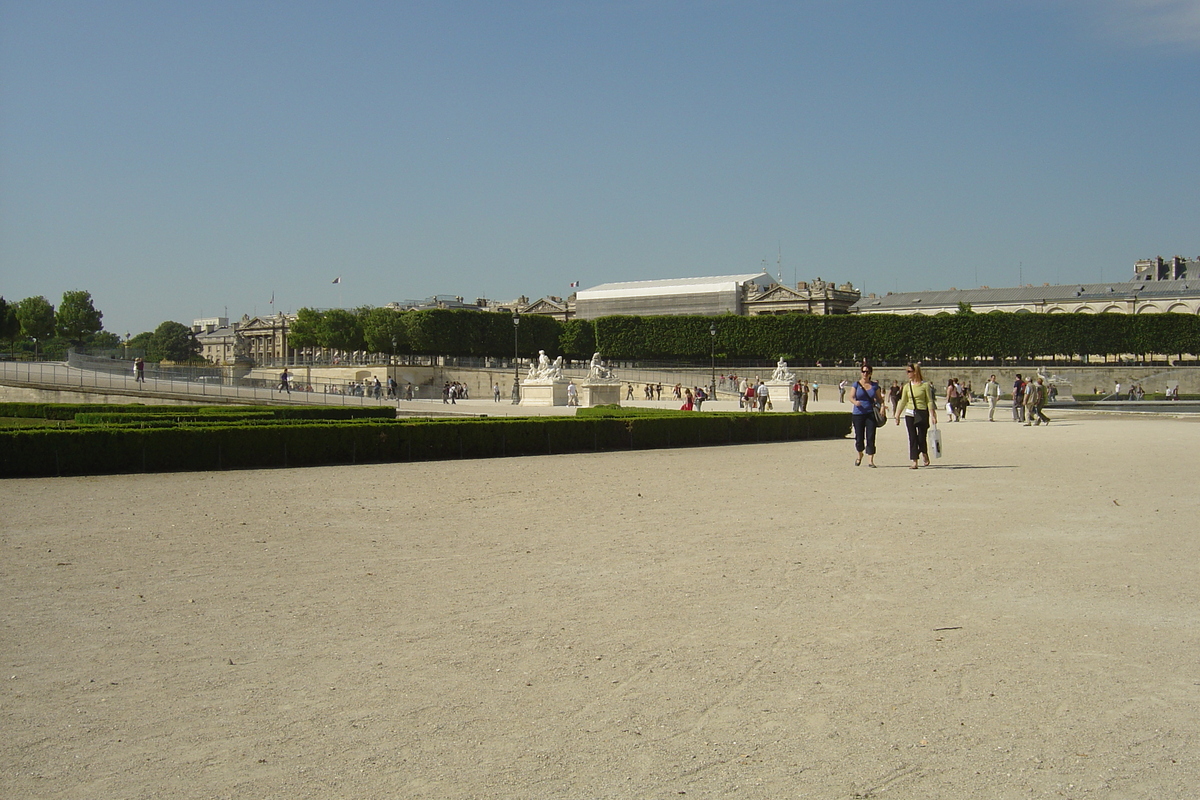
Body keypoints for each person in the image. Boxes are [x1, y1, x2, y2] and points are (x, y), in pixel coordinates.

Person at [895, 363, 938, 469]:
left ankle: (924, 452)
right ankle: (914, 460)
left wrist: (933, 415)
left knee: (921, 437)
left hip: (922, 413)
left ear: (915, 372)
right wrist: (897, 414)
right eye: (907, 371)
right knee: (912, 437)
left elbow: (929, 400)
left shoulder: (925, 385)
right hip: (910, 414)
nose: (907, 373)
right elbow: (903, 401)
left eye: (909, 371)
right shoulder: (906, 386)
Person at [850, 364, 882, 467]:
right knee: (859, 438)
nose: (865, 373)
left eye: (867, 372)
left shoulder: (874, 386)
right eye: (863, 371)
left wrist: (882, 407)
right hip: (858, 413)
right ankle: (860, 454)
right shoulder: (856, 384)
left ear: (870, 374)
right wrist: (855, 403)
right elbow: (851, 397)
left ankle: (870, 460)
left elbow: (880, 398)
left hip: (870, 413)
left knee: (871, 436)